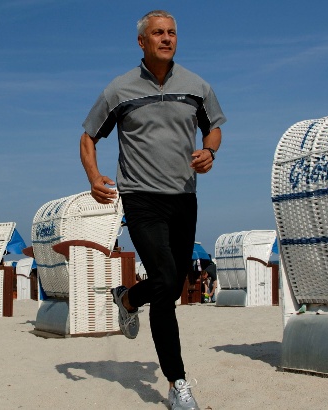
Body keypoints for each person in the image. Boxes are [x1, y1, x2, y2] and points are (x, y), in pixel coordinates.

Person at [79, 10, 225, 410]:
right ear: (141, 42)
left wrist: (209, 150)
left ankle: (127, 300)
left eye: (172, 32)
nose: (167, 38)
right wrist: (94, 177)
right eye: (158, 33)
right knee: (165, 283)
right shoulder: (119, 89)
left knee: (171, 283)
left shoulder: (197, 86)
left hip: (184, 197)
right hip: (141, 198)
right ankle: (178, 383)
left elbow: (214, 126)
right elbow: (89, 136)